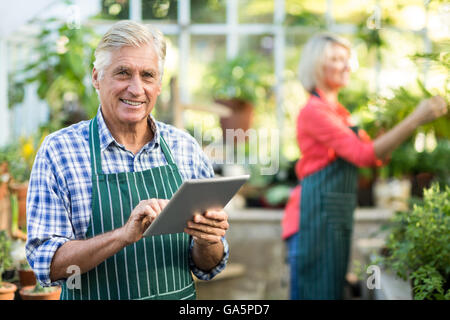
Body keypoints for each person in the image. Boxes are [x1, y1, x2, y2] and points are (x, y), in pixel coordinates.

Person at [25, 20, 230, 300]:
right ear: (96, 77)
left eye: (147, 75)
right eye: (123, 73)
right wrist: (122, 236)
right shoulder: (60, 152)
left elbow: (207, 266)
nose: (136, 89)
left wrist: (208, 241)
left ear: (158, 84)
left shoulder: (185, 148)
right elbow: (47, 266)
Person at [282, 33, 447, 300]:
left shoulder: (341, 113)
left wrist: (393, 130)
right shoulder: (314, 111)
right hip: (310, 219)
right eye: (337, 59)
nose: (347, 66)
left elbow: (377, 156)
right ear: (317, 65)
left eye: (347, 59)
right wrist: (415, 119)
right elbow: (363, 155)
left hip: (333, 218)